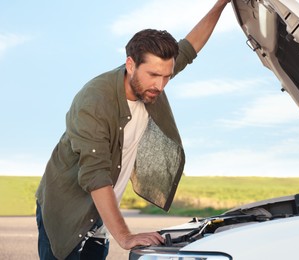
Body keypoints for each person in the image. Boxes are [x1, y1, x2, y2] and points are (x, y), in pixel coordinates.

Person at [35, 0, 231, 259]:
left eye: (166, 77)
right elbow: (95, 174)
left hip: (100, 216)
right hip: (68, 212)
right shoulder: (95, 101)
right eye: (153, 75)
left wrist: (222, 4)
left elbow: (190, 46)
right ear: (130, 64)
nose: (160, 86)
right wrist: (125, 236)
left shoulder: (151, 80)